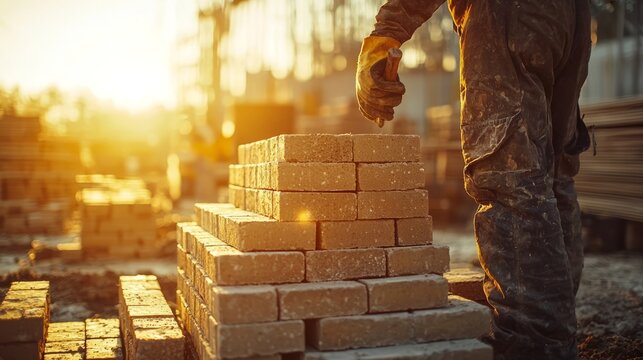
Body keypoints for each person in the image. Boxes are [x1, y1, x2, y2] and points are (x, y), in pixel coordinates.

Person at [356, 1, 591, 359]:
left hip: (508, 15)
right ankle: (556, 334)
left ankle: (533, 346)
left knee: (510, 177)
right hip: (569, 19)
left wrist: (387, 31)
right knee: (550, 170)